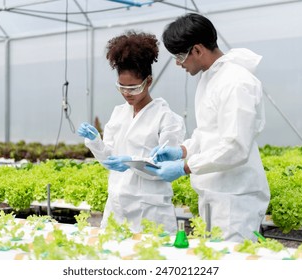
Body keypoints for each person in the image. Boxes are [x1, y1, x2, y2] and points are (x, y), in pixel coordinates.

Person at [146, 13, 270, 242]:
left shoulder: (235, 82)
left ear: (198, 50)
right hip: (214, 191)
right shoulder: (209, 78)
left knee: (231, 263)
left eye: (180, 56)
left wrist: (184, 167)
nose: (178, 63)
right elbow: (208, 133)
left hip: (235, 197)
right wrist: (182, 150)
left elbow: (235, 147)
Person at [77, 30, 186, 234]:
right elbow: (110, 160)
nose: (127, 94)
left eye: (134, 88)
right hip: (116, 206)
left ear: (149, 81)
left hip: (151, 210)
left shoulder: (166, 118)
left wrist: (130, 161)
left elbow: (166, 169)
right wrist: (95, 142)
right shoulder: (119, 113)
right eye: (122, 87)